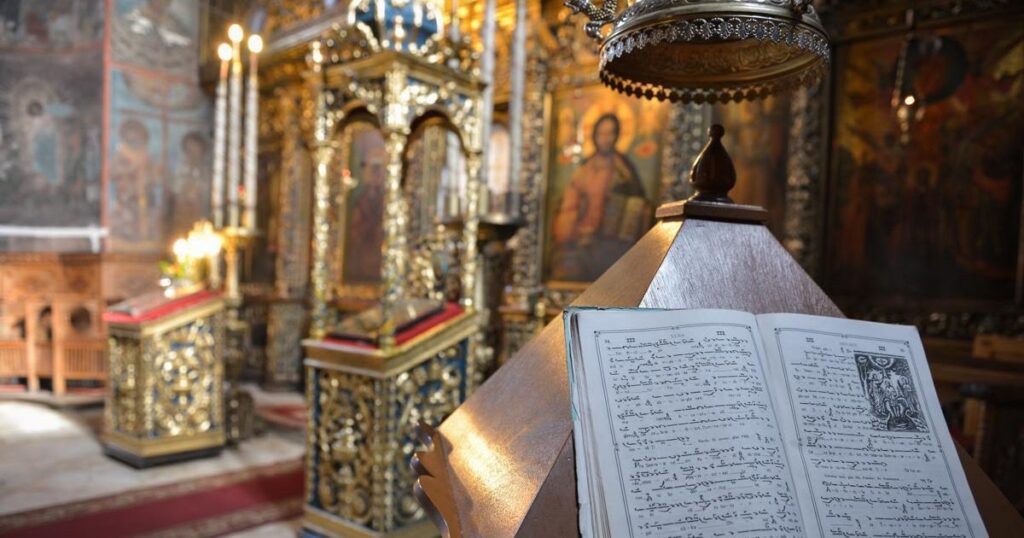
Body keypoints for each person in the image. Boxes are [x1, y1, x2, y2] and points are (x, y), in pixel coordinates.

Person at [550, 113, 649, 281]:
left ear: (617, 135)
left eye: (610, 133)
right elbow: (569, 203)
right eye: (601, 133)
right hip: (582, 236)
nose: (606, 139)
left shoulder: (624, 168)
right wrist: (575, 229)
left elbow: (638, 202)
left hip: (613, 241)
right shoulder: (585, 167)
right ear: (595, 136)